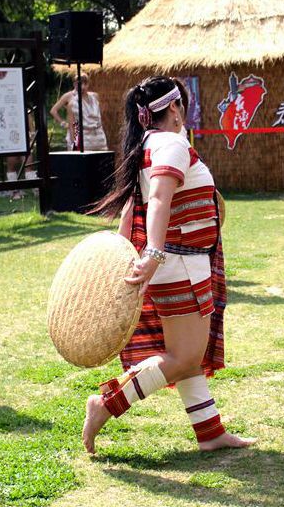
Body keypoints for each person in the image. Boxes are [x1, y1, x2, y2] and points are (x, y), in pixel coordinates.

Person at [82, 76, 255, 454]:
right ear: (175, 107)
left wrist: (133, 252)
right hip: (180, 265)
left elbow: (134, 206)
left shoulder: (146, 145)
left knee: (187, 354)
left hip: (177, 263)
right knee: (183, 357)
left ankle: (209, 432)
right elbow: (158, 198)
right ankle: (106, 404)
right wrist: (154, 253)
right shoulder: (172, 143)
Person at [50, 73, 108, 151]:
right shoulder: (69, 97)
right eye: (80, 83)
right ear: (74, 84)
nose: (83, 86)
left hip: (96, 134)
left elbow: (99, 115)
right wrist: (63, 124)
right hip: (79, 131)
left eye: (85, 83)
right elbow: (54, 111)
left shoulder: (94, 97)